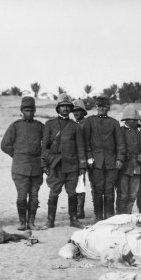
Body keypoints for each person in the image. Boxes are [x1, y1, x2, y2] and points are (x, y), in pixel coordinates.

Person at [42, 94, 88, 229]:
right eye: (63, 106)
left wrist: (82, 165)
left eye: (68, 107)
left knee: (72, 193)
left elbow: (80, 147)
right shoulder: (50, 125)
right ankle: (50, 221)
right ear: (58, 108)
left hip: (72, 165)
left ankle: (74, 220)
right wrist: (44, 164)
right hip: (55, 165)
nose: (65, 109)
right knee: (53, 193)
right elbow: (44, 147)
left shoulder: (75, 126)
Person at [0, 96, 44, 230]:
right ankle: (22, 222)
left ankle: (31, 222)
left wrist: (42, 156)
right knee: (21, 196)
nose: (29, 113)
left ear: (35, 110)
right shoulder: (15, 126)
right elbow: (4, 145)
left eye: (31, 110)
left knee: (35, 197)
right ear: (21, 110)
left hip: (36, 167)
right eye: (26, 110)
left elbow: (48, 144)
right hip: (20, 168)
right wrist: (16, 155)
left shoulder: (40, 126)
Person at [81, 96, 125, 220]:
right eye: (99, 106)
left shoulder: (114, 123)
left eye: (104, 106)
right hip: (95, 163)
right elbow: (86, 142)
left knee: (109, 190)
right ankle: (98, 216)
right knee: (98, 191)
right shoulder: (89, 121)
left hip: (111, 162)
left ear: (108, 108)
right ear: (96, 107)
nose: (101, 108)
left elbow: (120, 143)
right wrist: (89, 157)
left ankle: (109, 216)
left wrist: (120, 159)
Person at [118, 108, 141, 214]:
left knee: (133, 194)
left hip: (136, 167)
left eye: (136, 120)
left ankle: (128, 213)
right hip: (124, 167)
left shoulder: (137, 133)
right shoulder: (120, 131)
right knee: (123, 194)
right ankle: (121, 215)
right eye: (133, 120)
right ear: (126, 120)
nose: (136, 122)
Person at [72, 99, 89, 219]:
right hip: (75, 158)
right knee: (76, 184)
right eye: (74, 111)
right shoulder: (73, 125)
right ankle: (78, 209)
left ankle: (79, 210)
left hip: (86, 157)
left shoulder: (87, 124)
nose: (76, 113)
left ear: (83, 112)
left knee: (81, 184)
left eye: (78, 111)